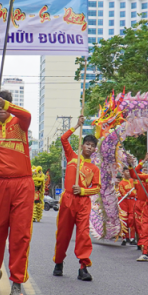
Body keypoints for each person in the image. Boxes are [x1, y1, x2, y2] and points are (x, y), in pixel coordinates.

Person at [0, 91, 33, 295]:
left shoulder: (21, 124)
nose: (1, 109)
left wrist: (7, 104)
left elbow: (28, 115)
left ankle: (17, 283)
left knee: (20, 234)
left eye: (3, 105)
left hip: (22, 183)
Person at [52, 116, 101, 281]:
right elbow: (63, 138)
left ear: (95, 150)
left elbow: (97, 187)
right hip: (67, 200)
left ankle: (83, 267)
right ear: (82, 145)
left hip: (83, 203)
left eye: (93, 146)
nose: (90, 147)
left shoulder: (94, 168)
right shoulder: (72, 157)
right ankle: (58, 262)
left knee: (83, 235)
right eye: (88, 144)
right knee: (63, 234)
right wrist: (76, 126)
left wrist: (82, 191)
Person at [118, 167, 137, 246]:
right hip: (124, 203)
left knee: (131, 220)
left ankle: (132, 238)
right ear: (123, 172)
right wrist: (131, 193)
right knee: (124, 220)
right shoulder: (121, 183)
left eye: (129, 171)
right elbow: (123, 193)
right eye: (126, 171)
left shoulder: (133, 181)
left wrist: (132, 193)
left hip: (132, 202)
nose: (128, 173)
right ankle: (124, 238)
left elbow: (136, 191)